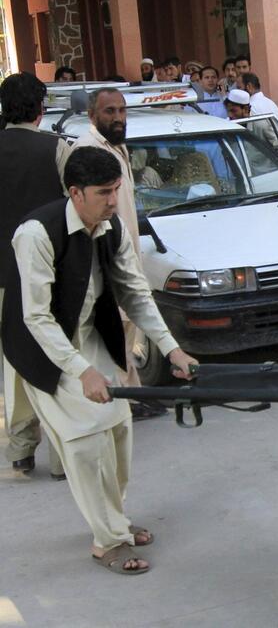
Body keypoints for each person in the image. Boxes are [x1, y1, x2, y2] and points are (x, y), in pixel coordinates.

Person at [2, 146, 198, 575]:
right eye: (104, 192)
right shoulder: (36, 233)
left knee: (118, 434)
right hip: (44, 347)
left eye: (116, 189)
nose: (113, 200)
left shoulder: (112, 228)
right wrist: (81, 371)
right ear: (75, 193)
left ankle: (115, 521)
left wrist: (171, 348)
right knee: (86, 443)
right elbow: (34, 316)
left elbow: (134, 292)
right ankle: (108, 541)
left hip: (91, 333)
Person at [69, 87, 156, 419]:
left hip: (126, 256)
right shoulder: (86, 150)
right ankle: (122, 403)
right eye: (109, 112)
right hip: (103, 262)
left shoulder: (116, 147)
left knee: (125, 331)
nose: (118, 117)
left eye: (121, 110)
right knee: (112, 332)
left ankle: (131, 398)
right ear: (93, 116)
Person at [0, 73, 68, 478]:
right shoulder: (56, 149)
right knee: (55, 355)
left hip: (1, 275)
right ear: (41, 109)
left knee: (12, 362)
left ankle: (21, 448)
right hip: (47, 269)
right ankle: (62, 456)